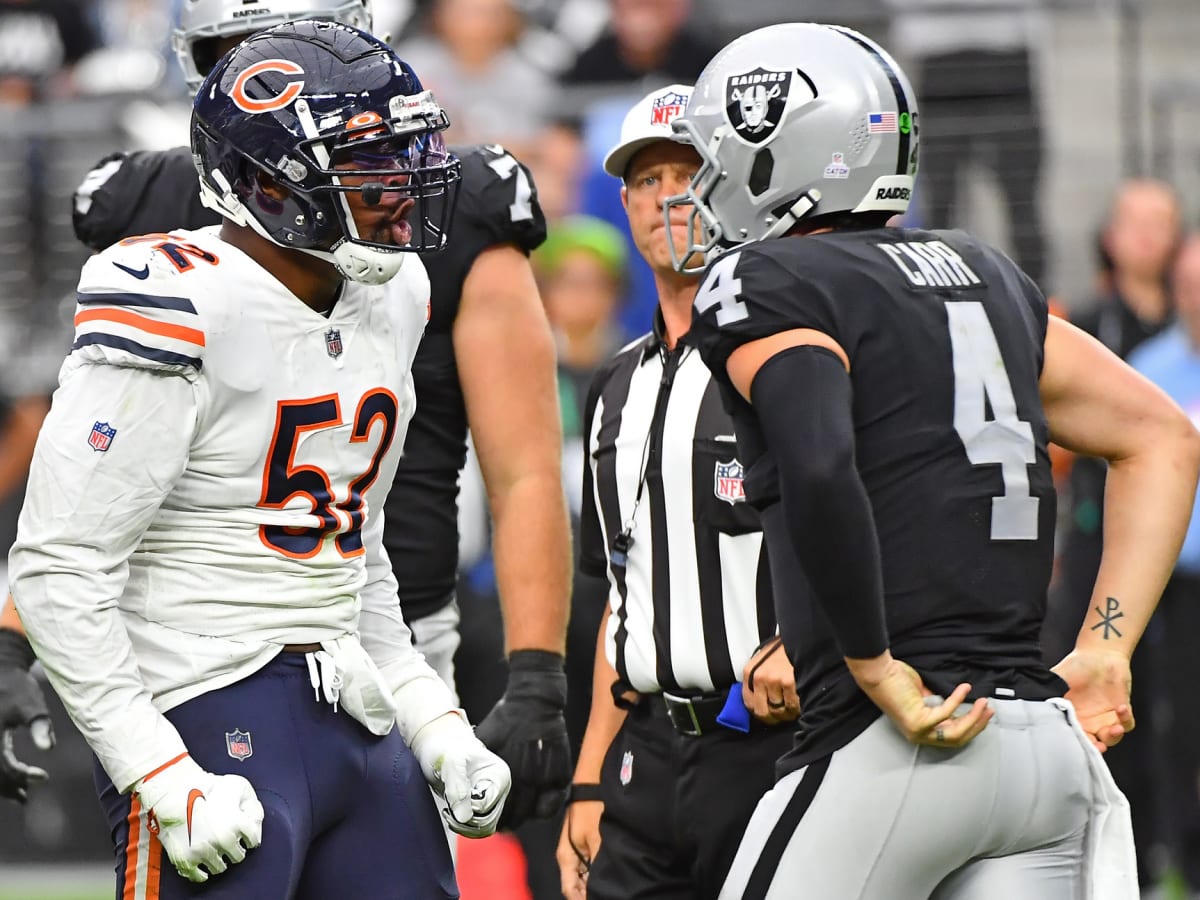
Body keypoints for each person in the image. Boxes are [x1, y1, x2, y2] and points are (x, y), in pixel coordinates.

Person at [4, 0, 573, 838]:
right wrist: (20, 641)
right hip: (202, 663)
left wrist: (521, 683)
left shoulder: (404, 265)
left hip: (384, 633)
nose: (271, 82)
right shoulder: (163, 250)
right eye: (242, 55)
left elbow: (477, 488)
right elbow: (83, 514)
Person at [664, 22, 1200, 898]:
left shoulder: (768, 280)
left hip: (895, 743)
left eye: (715, 157)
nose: (702, 186)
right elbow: (1163, 436)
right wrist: (1106, 649)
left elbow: (821, 465)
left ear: (784, 151)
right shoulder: (984, 270)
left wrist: (873, 665)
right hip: (1037, 751)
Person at [553, 84, 795, 900]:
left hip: (771, 744)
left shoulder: (785, 358)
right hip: (644, 755)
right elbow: (624, 598)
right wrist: (588, 778)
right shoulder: (612, 385)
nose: (666, 199)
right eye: (646, 180)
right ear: (623, 204)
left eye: (686, 175)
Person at [1126, 233, 1200, 892]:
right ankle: (1181, 859)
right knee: (1178, 724)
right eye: (1191, 285)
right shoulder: (1148, 368)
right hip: (1178, 587)